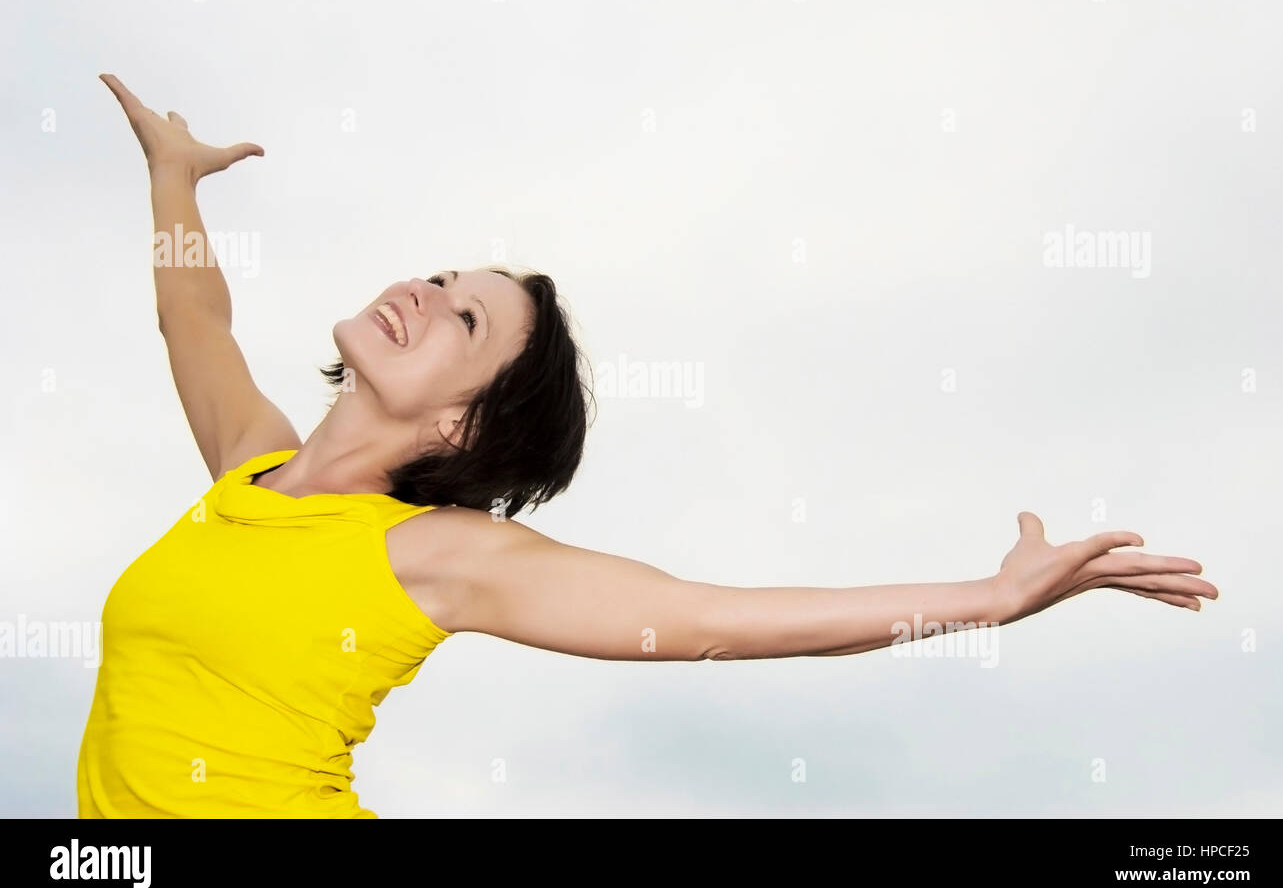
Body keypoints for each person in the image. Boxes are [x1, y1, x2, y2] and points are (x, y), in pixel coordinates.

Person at [78, 74, 1218, 818]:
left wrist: (986, 598)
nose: (420, 294)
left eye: (462, 317)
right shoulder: (250, 469)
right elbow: (197, 318)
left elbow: (716, 620)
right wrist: (174, 175)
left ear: (461, 425)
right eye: (436, 278)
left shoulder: (437, 553)